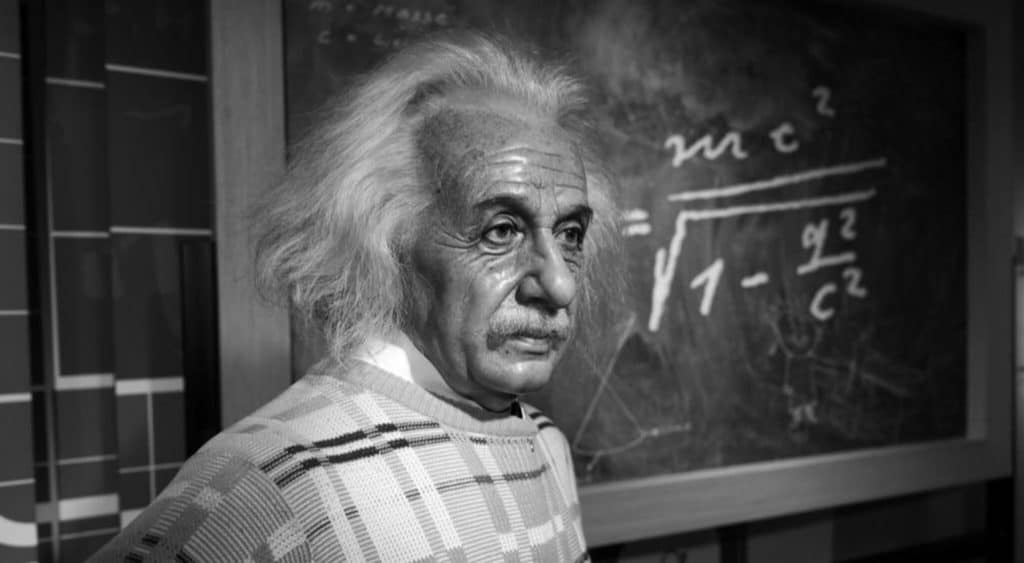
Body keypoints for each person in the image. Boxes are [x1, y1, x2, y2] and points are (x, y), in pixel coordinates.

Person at [94, 30, 621, 562]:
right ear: (385, 241)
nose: (560, 284)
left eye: (570, 234)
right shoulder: (263, 484)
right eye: (501, 231)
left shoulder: (546, 444)